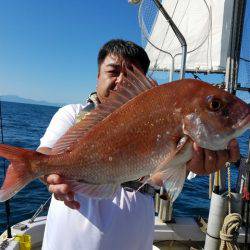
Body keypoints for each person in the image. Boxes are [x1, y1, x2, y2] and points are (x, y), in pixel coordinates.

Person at [38, 39, 240, 250]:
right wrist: (47, 173)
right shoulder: (72, 114)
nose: (121, 81)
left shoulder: (158, 121)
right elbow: (45, 156)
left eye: (132, 75)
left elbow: (154, 176)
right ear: (98, 75)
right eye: (113, 71)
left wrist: (187, 164)